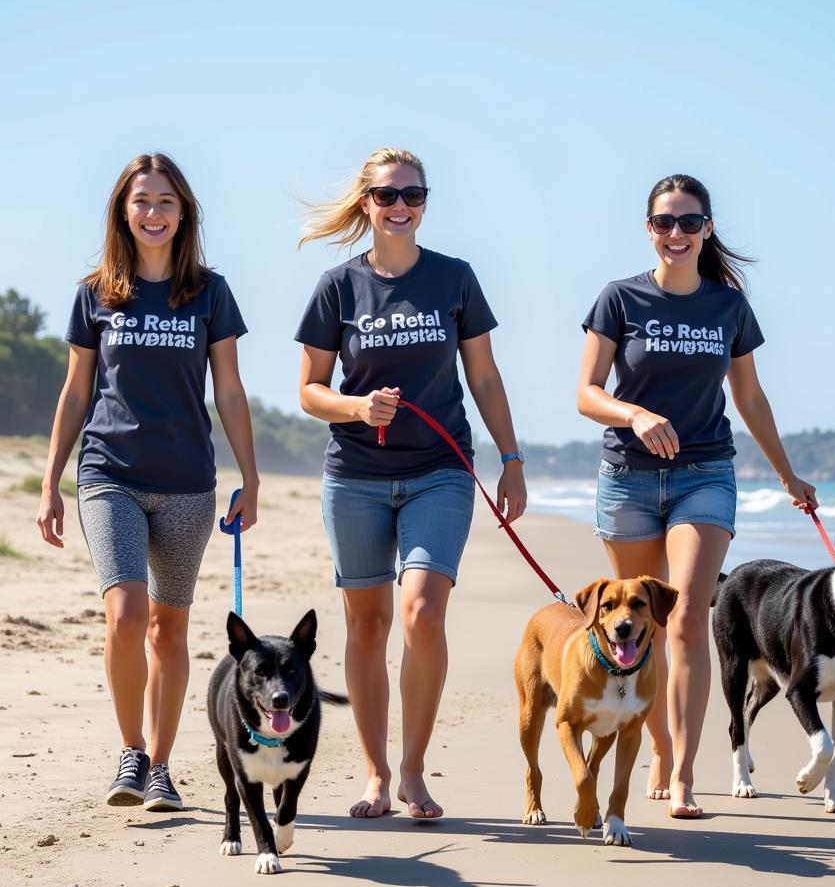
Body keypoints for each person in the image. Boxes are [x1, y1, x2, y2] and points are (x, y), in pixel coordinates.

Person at [577, 173, 817, 818]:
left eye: (689, 222)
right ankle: (656, 745)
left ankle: (683, 772)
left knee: (684, 618)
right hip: (627, 475)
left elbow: (751, 397)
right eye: (664, 222)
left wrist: (788, 475)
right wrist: (632, 415)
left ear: (707, 228)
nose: (676, 233)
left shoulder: (728, 307)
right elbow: (586, 392)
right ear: (648, 229)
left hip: (706, 473)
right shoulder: (618, 299)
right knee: (637, 625)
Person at [295, 147, 526, 820]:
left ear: (426, 202)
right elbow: (309, 391)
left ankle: (415, 771)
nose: (401, 207)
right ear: (366, 203)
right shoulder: (338, 287)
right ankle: (374, 774)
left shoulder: (454, 279)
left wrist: (511, 458)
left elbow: (483, 377)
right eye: (388, 196)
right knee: (367, 629)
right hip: (356, 476)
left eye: (413, 195)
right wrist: (356, 408)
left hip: (440, 471)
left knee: (423, 612)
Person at [36, 153, 259, 812]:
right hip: (110, 474)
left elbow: (231, 391)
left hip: (189, 479)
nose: (154, 213)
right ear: (123, 211)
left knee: (170, 628)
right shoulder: (95, 293)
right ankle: (131, 752)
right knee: (128, 613)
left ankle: (161, 767)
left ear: (183, 210)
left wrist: (250, 476)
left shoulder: (210, 294)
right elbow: (76, 393)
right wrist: (51, 481)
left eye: (166, 201)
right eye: (142, 201)